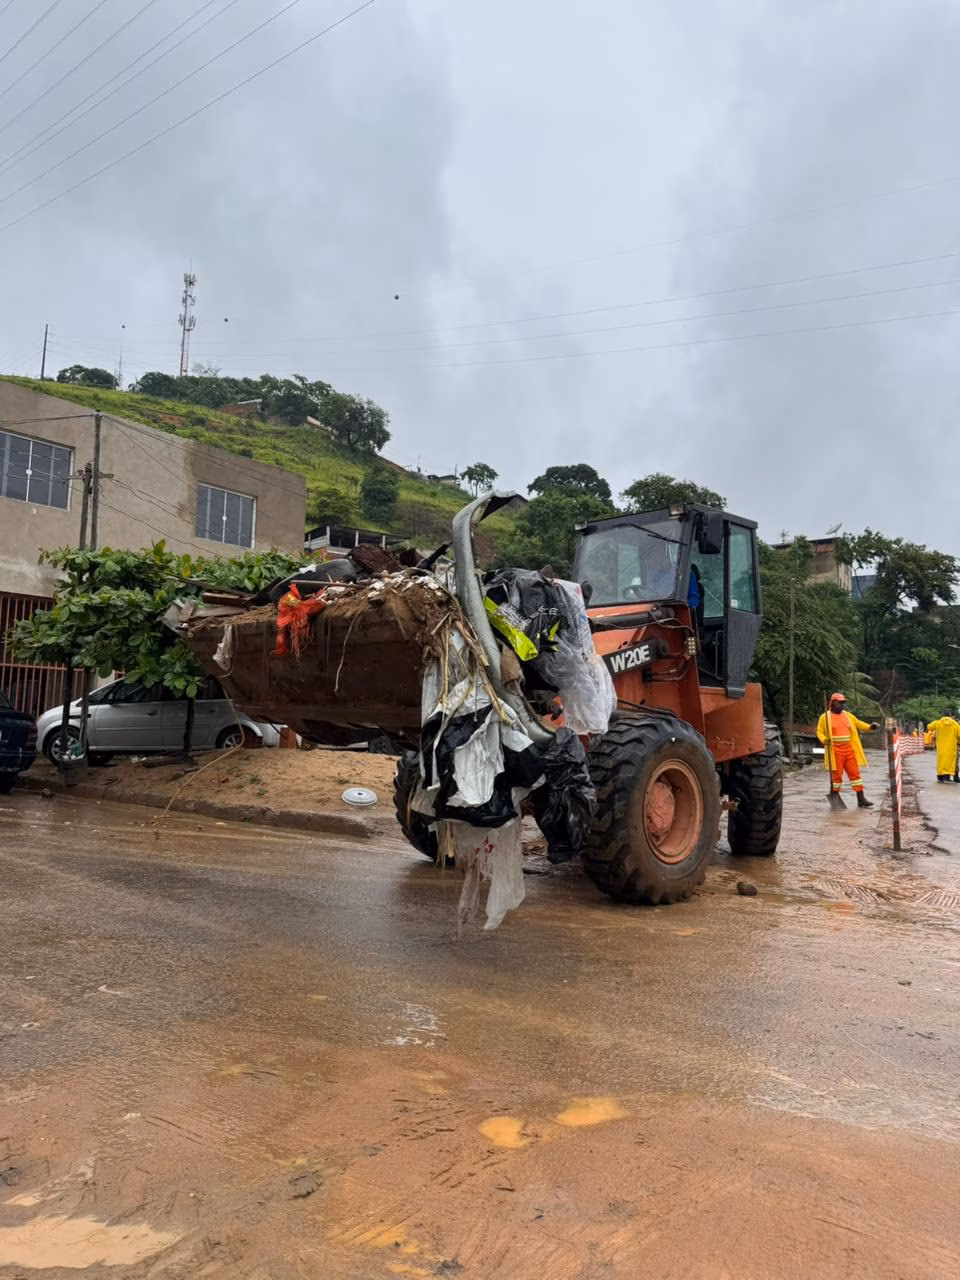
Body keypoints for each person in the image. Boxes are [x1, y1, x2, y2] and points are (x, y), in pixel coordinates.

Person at [816, 692, 878, 808]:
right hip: (835, 751)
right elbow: (819, 731)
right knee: (837, 777)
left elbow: (859, 724)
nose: (842, 705)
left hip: (848, 750)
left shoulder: (848, 716)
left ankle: (861, 799)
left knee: (855, 775)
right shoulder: (825, 717)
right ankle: (835, 795)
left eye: (843, 703)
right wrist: (824, 740)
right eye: (840, 703)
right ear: (833, 703)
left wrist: (870, 727)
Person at [924, 711, 960, 783]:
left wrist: (938, 723)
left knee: (941, 761)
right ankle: (947, 777)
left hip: (941, 747)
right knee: (951, 762)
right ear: (951, 716)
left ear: (942, 716)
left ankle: (940, 777)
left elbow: (929, 726)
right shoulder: (956, 725)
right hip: (952, 747)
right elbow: (959, 736)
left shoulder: (938, 723)